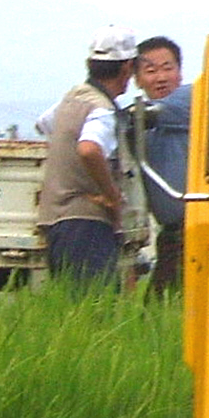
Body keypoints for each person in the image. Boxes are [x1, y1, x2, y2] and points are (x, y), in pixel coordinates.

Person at [36, 27, 135, 284]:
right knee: (96, 309)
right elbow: (89, 148)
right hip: (87, 223)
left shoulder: (73, 97)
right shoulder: (102, 111)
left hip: (57, 223)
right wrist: (111, 194)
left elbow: (44, 125)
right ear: (126, 69)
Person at [128, 35, 192, 292]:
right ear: (137, 79)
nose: (161, 77)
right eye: (150, 70)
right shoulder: (143, 125)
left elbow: (139, 114)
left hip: (194, 231)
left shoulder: (190, 99)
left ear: (180, 71)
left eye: (168, 68)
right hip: (170, 234)